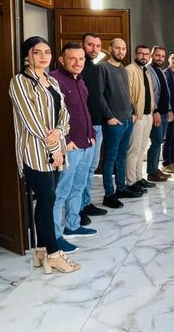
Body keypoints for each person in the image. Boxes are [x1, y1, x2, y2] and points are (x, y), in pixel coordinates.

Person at [9, 36, 80, 273]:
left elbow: (65, 114)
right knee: (47, 199)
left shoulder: (52, 81)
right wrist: (54, 148)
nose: (43, 56)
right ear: (26, 56)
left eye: (47, 52)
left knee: (46, 201)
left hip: (56, 149)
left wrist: (59, 132)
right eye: (37, 52)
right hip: (35, 152)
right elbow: (31, 121)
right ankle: (54, 254)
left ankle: (40, 251)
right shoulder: (19, 81)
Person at [50, 43, 98, 254]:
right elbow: (52, 115)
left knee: (78, 187)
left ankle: (72, 225)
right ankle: (55, 236)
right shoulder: (54, 80)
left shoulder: (80, 80)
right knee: (61, 191)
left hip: (86, 143)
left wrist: (92, 134)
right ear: (62, 60)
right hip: (70, 146)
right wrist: (66, 139)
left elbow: (84, 110)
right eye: (72, 58)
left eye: (81, 58)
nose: (78, 63)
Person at [99, 38, 140, 208]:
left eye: (123, 49)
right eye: (117, 48)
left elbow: (126, 94)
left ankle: (121, 187)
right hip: (113, 122)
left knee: (122, 156)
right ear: (110, 49)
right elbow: (99, 95)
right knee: (110, 158)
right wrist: (109, 116)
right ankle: (109, 195)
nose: (121, 51)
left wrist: (133, 111)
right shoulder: (102, 68)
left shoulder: (123, 68)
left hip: (127, 119)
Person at [79, 33, 108, 225]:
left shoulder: (96, 69)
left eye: (97, 46)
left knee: (90, 167)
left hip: (97, 124)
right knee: (80, 170)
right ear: (82, 45)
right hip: (83, 127)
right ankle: (77, 209)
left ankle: (86, 203)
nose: (94, 49)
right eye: (90, 44)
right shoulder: (77, 69)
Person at [125, 45, 156, 192]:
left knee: (142, 149)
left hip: (148, 114)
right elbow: (128, 94)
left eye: (146, 54)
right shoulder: (130, 70)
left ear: (149, 56)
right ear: (135, 54)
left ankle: (138, 177)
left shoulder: (146, 71)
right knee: (134, 150)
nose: (144, 56)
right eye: (141, 54)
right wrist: (132, 112)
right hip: (137, 116)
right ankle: (131, 181)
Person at [146, 46, 172, 182]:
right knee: (156, 142)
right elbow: (149, 94)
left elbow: (166, 92)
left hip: (164, 113)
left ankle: (155, 169)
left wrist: (169, 110)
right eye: (157, 55)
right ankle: (151, 172)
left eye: (162, 56)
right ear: (151, 56)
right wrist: (155, 111)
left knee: (160, 141)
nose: (160, 58)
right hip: (155, 113)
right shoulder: (147, 70)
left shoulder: (160, 71)